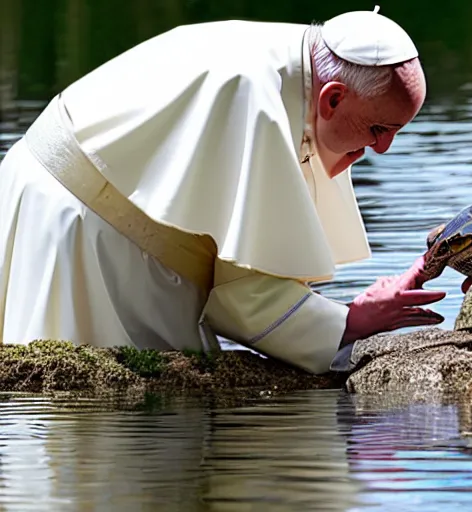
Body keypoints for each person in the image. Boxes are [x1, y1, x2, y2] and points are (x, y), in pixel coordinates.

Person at [0, 7, 446, 374]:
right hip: (80, 226)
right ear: (332, 98)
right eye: (378, 128)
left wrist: (345, 313)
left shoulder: (292, 69)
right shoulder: (254, 99)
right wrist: (351, 320)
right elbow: (241, 295)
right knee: (103, 437)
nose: (383, 148)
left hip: (72, 201)